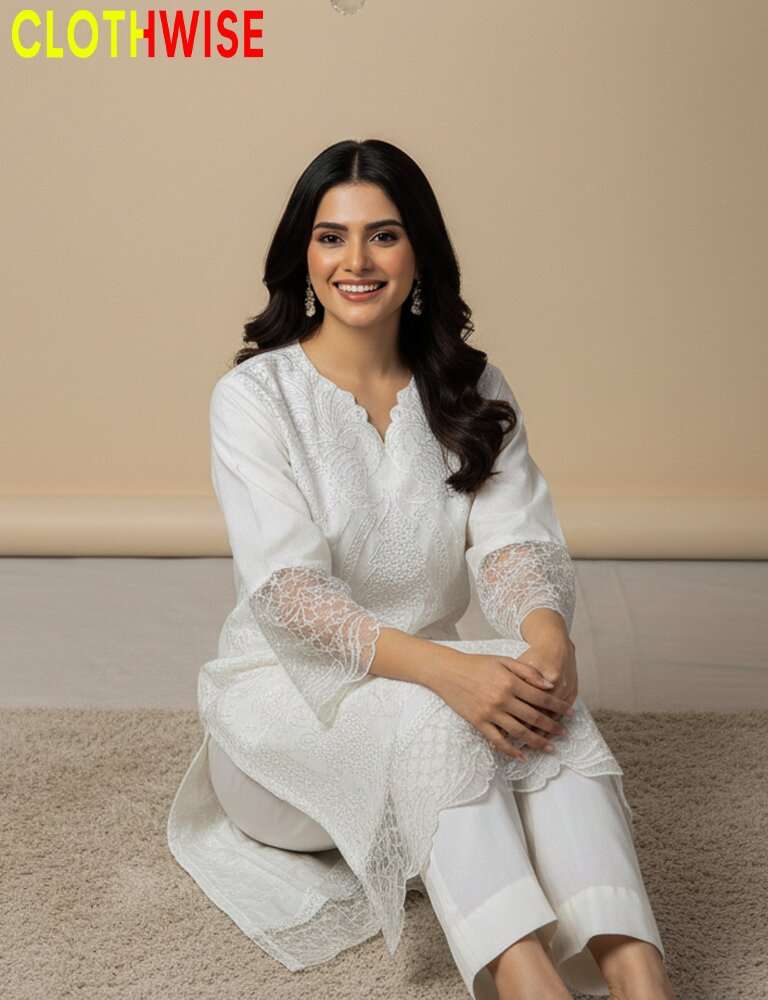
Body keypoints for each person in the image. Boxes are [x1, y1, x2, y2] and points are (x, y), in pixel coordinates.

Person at [167, 138, 675, 1000]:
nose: (355, 261)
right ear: (303, 253)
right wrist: (451, 674)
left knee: (545, 702)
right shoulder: (255, 399)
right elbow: (291, 600)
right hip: (285, 716)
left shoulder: (474, 387)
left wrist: (547, 639)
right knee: (444, 716)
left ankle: (639, 973)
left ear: (420, 254)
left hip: (429, 683)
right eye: (331, 237)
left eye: (383, 235)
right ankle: (527, 983)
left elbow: (516, 542)